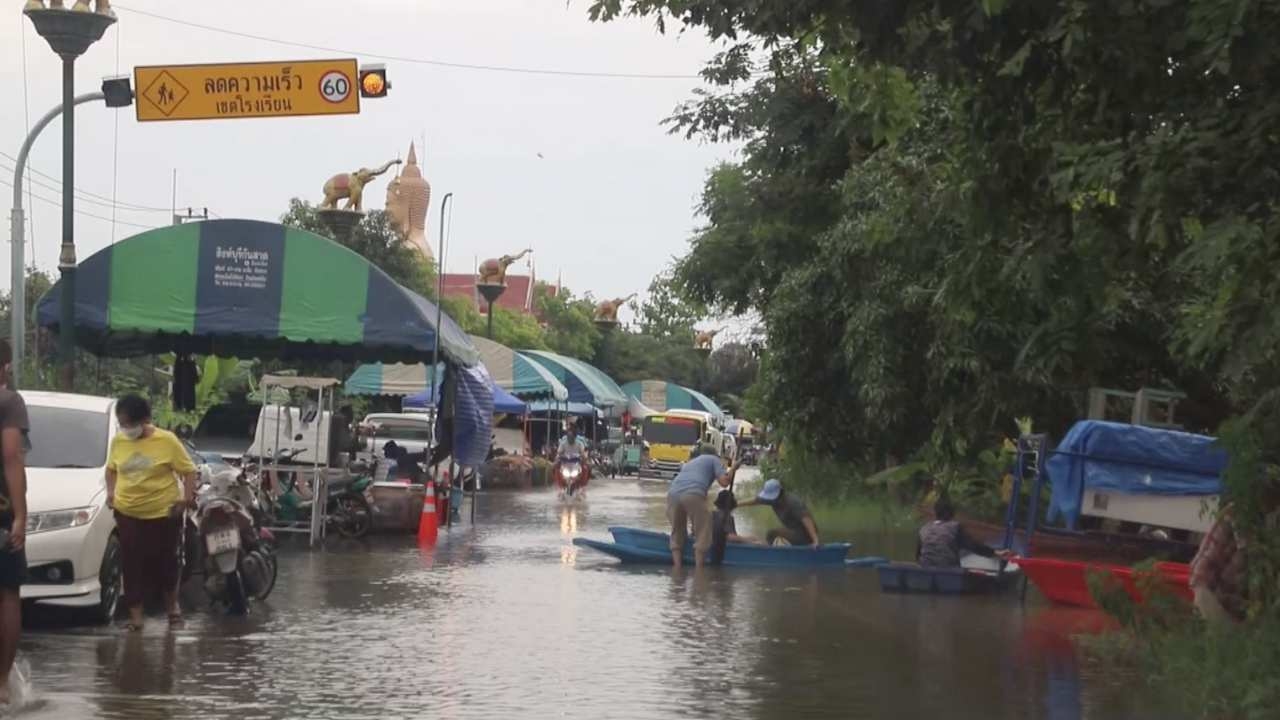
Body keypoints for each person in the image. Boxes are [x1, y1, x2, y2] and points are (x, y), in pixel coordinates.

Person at [106, 394, 198, 632]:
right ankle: (136, 617)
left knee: (166, 562)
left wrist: (186, 499)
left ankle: (172, 609)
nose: (126, 428)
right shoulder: (118, 442)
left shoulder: (167, 441)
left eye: (129, 423)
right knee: (131, 564)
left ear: (144, 420)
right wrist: (111, 493)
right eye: (122, 423)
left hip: (162, 514)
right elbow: (111, 469)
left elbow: (189, 471)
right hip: (127, 513)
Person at [0, 340, 27, 705]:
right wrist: (20, 514)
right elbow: (10, 455)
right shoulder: (8, 402)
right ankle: (2, 683)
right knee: (7, 593)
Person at [667, 445, 740, 570]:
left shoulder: (690, 463)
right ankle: (699, 572)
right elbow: (724, 483)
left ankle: (677, 571)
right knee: (704, 531)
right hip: (693, 493)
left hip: (672, 494)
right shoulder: (713, 460)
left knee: (677, 532)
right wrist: (733, 468)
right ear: (715, 454)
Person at [916, 496, 999, 568]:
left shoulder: (924, 529)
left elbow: (918, 555)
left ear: (936, 513)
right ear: (952, 514)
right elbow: (973, 546)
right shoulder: (955, 527)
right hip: (949, 571)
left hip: (925, 568)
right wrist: (993, 553)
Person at [737, 478, 820, 547]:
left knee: (772, 534)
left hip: (805, 534)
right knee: (771, 535)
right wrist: (736, 504)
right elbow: (755, 501)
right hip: (793, 531)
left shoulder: (792, 502)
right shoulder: (773, 500)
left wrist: (815, 540)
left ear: (780, 493)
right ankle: (775, 550)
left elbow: (806, 519)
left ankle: (776, 552)